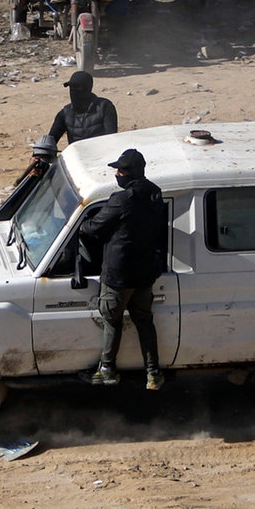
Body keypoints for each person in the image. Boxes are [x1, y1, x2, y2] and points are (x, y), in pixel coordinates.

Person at [79, 149, 167, 390]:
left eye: (121, 170)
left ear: (132, 173)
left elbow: (95, 227)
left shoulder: (122, 200)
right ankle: (153, 374)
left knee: (112, 321)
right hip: (146, 273)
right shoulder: (155, 194)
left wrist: (81, 225)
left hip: (119, 276)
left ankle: (107, 370)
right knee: (144, 321)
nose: (117, 174)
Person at [48, 71, 117, 145]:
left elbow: (111, 138)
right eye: (71, 89)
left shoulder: (104, 107)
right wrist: (38, 155)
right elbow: (50, 140)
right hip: (77, 155)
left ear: (87, 89)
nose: (74, 93)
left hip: (101, 153)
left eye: (77, 89)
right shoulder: (65, 113)